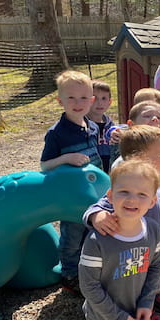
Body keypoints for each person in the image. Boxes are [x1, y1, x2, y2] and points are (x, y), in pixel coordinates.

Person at [83, 125, 160, 320]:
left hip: (144, 264)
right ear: (141, 159)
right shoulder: (129, 185)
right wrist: (96, 216)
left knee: (140, 312)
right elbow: (101, 203)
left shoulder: (151, 186)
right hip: (120, 270)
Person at [79, 159, 160, 320]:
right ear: (110, 195)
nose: (132, 199)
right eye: (124, 192)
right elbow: (88, 285)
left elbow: (156, 265)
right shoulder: (98, 241)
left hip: (135, 312)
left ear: (152, 201)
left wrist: (147, 303)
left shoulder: (153, 230)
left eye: (141, 194)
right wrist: (117, 318)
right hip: (106, 319)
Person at [40, 70, 102, 295]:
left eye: (84, 97)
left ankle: (86, 269)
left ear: (92, 100)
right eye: (71, 98)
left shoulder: (92, 126)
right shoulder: (57, 134)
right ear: (60, 101)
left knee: (90, 233)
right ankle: (69, 274)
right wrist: (66, 158)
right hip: (71, 197)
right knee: (72, 235)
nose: (78, 103)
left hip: (92, 194)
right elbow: (45, 166)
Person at [90, 81, 115, 173]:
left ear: (109, 102)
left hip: (109, 166)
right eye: (95, 98)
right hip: (92, 167)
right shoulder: (84, 125)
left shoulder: (111, 125)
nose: (99, 103)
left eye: (104, 98)